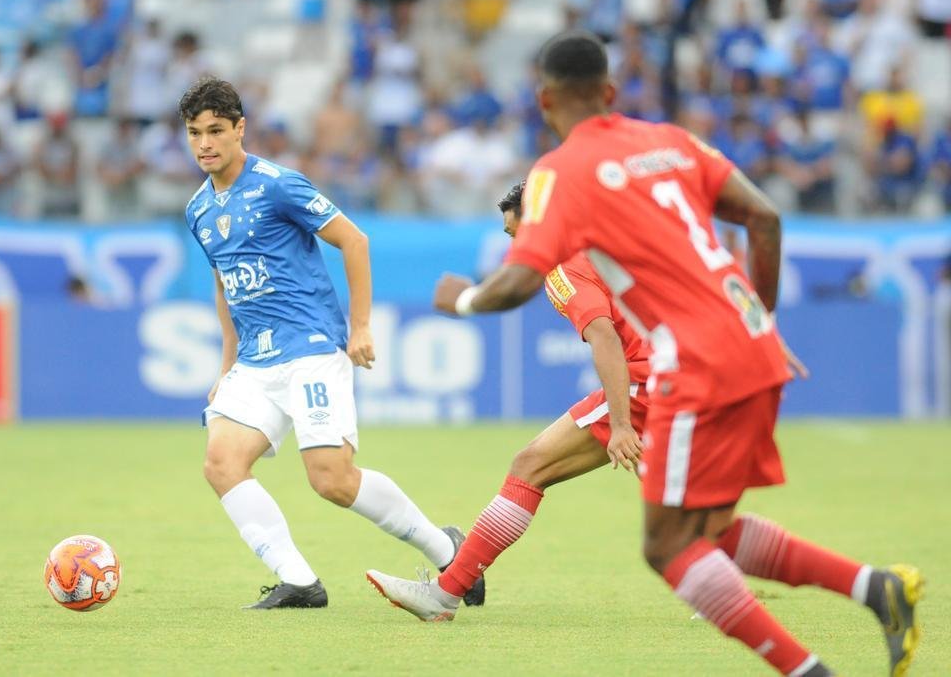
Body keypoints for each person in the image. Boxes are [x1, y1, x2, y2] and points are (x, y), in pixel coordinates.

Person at [374, 33, 922, 677]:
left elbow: (550, 302)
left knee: (661, 542)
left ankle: (810, 669)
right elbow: (766, 219)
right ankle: (875, 588)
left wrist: (463, 301)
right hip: (748, 346)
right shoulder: (673, 142)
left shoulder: (559, 185)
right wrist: (762, 323)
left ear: (544, 100)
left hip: (679, 365)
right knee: (708, 534)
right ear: (609, 92)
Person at [180, 76, 483, 609]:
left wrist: (360, 327)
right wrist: (226, 365)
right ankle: (299, 581)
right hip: (254, 362)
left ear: (240, 129)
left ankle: (447, 550)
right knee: (220, 463)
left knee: (332, 480)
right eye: (194, 133)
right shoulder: (198, 210)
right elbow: (225, 284)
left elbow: (353, 240)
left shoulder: (278, 184)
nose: (205, 143)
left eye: (216, 131)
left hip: (310, 350)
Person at [366, 181, 649, 619]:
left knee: (529, 467)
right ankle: (717, 588)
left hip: (650, 381)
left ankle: (444, 594)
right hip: (694, 372)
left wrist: (622, 422)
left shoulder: (563, 268)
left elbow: (605, 337)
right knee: (677, 491)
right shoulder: (604, 242)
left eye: (517, 235)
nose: (515, 247)